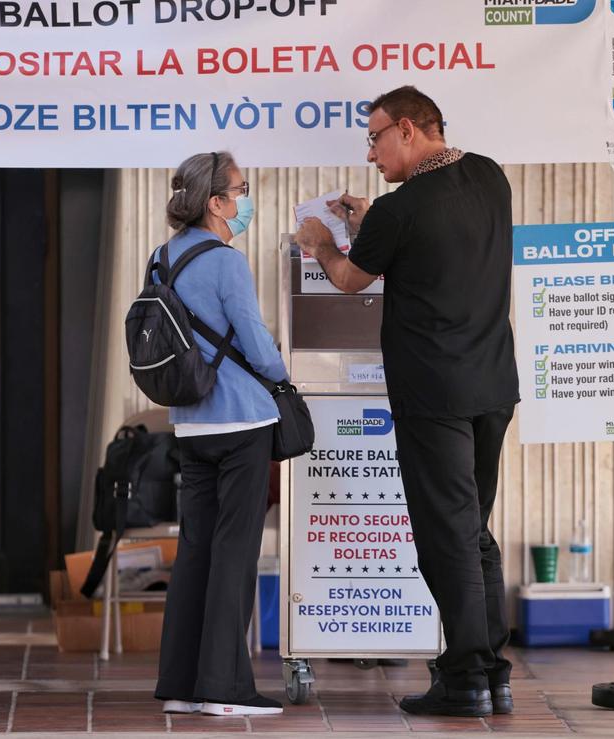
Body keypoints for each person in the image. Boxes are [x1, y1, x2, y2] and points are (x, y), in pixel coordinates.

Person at [295, 86, 520, 718]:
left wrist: (320, 242)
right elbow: (433, 248)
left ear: (411, 130)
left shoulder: (401, 209)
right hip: (493, 385)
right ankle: (493, 675)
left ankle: (465, 678)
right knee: (473, 528)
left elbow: (350, 279)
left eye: (375, 137)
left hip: (434, 394)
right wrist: (372, 223)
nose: (371, 153)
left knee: (444, 535)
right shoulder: (490, 177)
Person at [152, 151, 288, 717]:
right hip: (241, 423)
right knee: (235, 552)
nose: (244, 200)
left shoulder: (161, 259)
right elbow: (254, 341)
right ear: (216, 202)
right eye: (240, 190)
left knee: (195, 551)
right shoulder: (226, 261)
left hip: (190, 423)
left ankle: (182, 687)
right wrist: (283, 373)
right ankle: (225, 689)